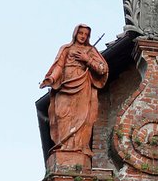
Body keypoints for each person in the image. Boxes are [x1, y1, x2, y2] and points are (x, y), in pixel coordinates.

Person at [40, 23, 109, 160]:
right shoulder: (66, 48)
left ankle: (77, 148)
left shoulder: (91, 50)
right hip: (65, 85)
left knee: (81, 117)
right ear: (75, 33)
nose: (83, 36)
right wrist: (51, 79)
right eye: (80, 33)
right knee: (61, 113)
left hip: (83, 86)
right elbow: (59, 66)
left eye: (86, 34)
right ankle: (63, 145)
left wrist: (87, 59)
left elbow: (102, 69)